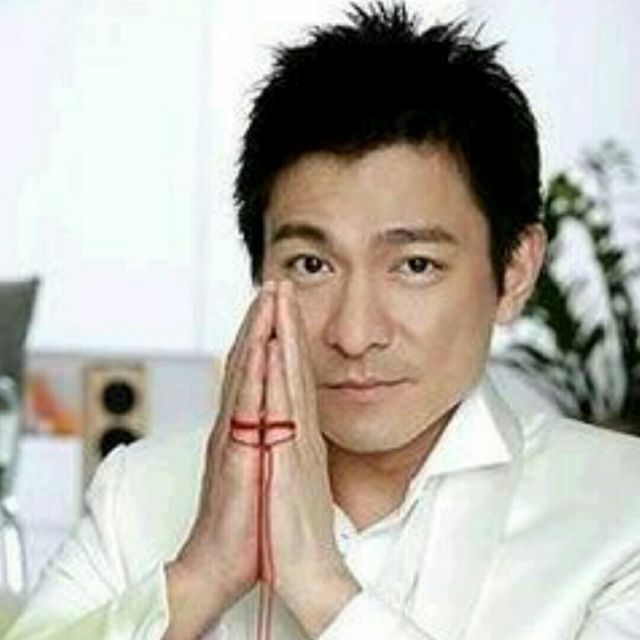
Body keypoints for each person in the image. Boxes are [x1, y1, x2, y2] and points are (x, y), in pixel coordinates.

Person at [7, 3, 640, 639]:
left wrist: (318, 586)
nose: (355, 334)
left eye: (415, 265)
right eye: (312, 264)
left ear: (517, 270)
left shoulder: (621, 513)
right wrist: (201, 575)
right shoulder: (137, 492)